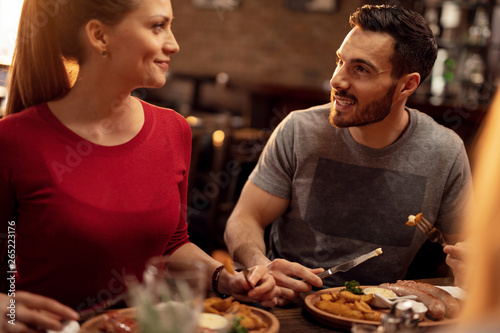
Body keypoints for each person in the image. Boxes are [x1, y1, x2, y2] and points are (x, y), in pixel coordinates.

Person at [0, 0, 279, 332]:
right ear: (99, 36)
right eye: (157, 26)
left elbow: (173, 242)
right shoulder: (14, 139)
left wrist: (226, 279)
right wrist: (7, 308)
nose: (173, 44)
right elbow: (7, 261)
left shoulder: (174, 130)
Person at [224, 4, 472, 305]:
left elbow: (467, 247)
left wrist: (472, 262)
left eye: (361, 69)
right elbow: (245, 218)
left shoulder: (444, 151)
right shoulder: (299, 130)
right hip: (284, 306)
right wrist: (258, 264)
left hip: (380, 316)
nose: (337, 81)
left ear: (407, 85)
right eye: (340, 62)